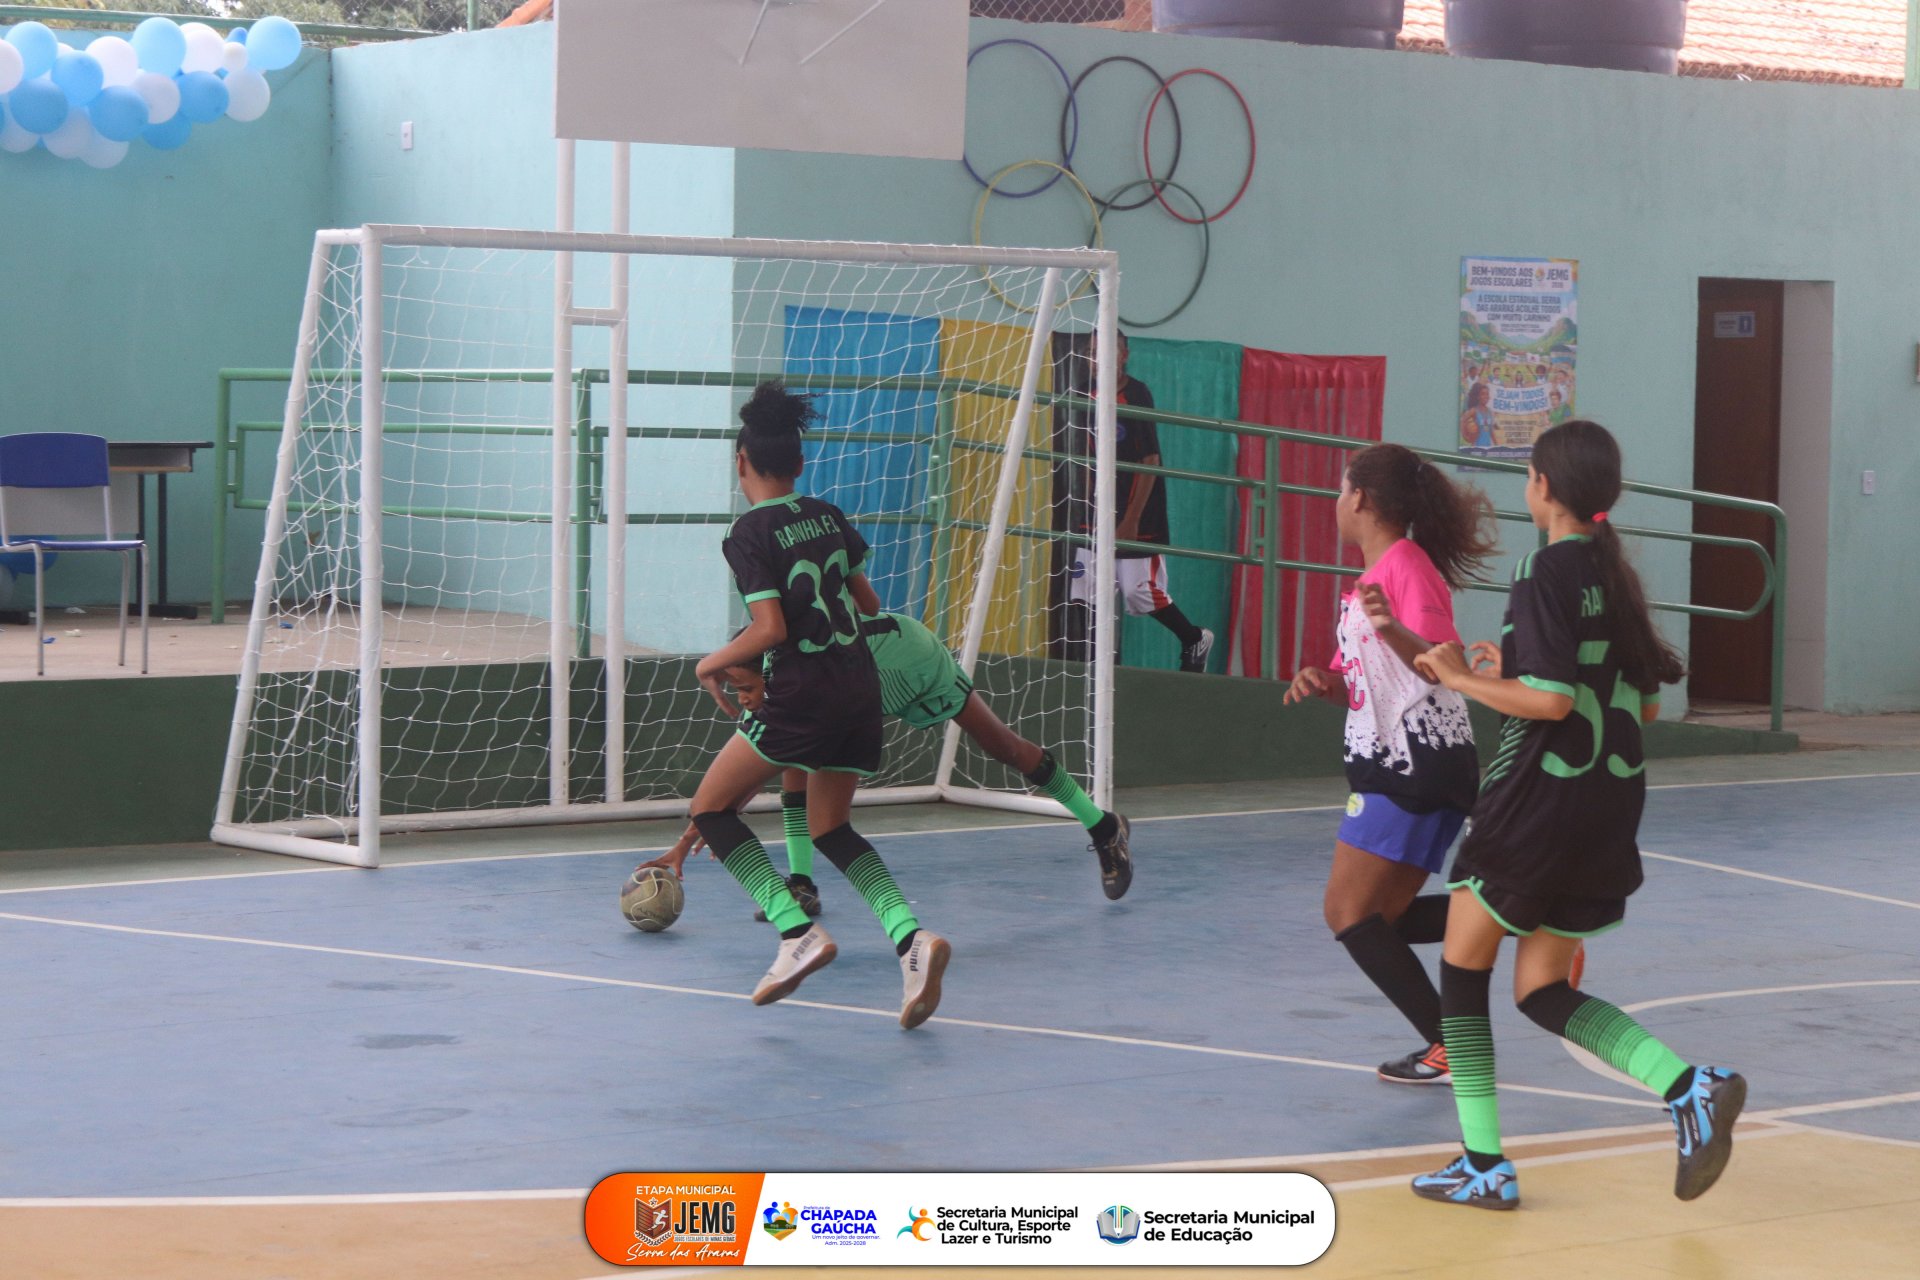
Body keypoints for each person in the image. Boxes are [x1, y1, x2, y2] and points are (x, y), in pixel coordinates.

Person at [1408, 420, 1745, 1209]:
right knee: (1539, 988)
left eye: (1529, 474)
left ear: (1544, 487)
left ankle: (1482, 1163)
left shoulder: (1544, 569)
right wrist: (1513, 671)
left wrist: (1461, 678)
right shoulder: (1612, 574)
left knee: (1462, 970)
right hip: (1606, 807)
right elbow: (1644, 704)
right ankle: (1688, 1087)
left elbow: (1554, 701)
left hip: (1536, 804)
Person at [684, 382, 949, 1030]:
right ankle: (911, 941)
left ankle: (794, 932)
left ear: (741, 461)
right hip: (859, 687)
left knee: (710, 810)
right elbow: (867, 604)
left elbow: (770, 628)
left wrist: (710, 663)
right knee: (830, 827)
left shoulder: (749, 532)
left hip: (802, 694)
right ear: (800, 464)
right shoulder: (828, 516)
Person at [647, 609, 1134, 905]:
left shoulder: (798, 680)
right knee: (795, 757)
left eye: (743, 687)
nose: (741, 699)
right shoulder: (785, 674)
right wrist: (686, 839)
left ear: (768, 671)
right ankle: (801, 883)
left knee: (1001, 746)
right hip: (858, 679)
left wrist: (697, 830)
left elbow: (744, 781)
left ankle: (1102, 825)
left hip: (911, 661)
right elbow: (743, 777)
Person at [1285, 443, 1496, 1085]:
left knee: (1347, 913)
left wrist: (1391, 629)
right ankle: (1525, 912)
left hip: (1413, 761)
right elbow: (1364, 681)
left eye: (1341, 488)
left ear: (1362, 499)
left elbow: (1441, 661)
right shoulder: (1370, 580)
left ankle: (1450, 1044)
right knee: (1385, 921)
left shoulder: (1407, 566)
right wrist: (1324, 680)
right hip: (1408, 760)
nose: (1336, 500)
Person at [1069, 331, 1214, 672]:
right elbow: (1084, 452)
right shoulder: (1082, 393)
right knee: (1086, 584)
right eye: (1091, 351)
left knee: (1139, 591)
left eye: (1107, 350)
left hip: (1138, 509)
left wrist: (1131, 518)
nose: (1097, 358)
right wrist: (1088, 503)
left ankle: (1194, 637)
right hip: (1097, 507)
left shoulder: (1136, 394)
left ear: (1124, 355)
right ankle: (1090, 665)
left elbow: (1150, 459)